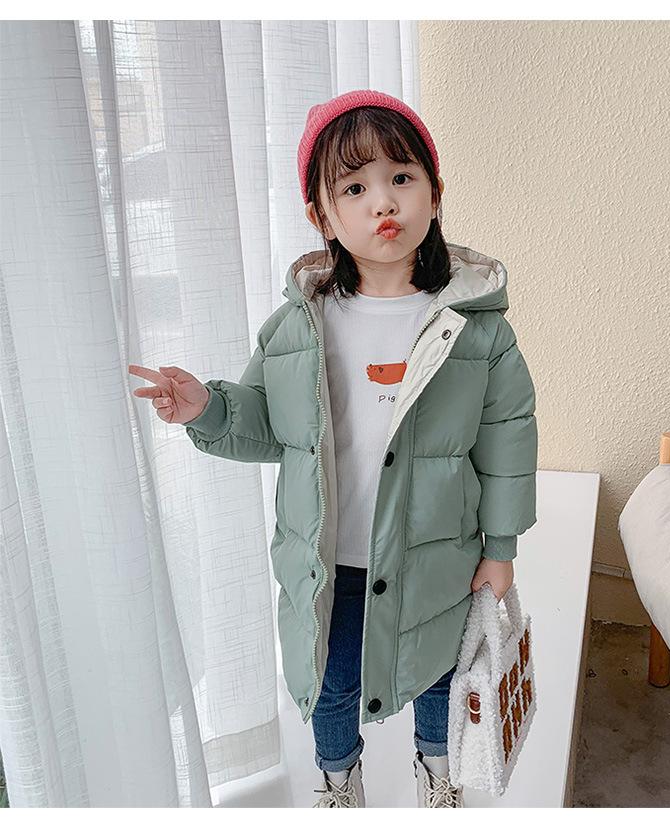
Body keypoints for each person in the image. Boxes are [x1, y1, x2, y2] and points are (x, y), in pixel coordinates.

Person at [128, 89, 538, 809]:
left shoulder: (476, 328)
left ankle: (438, 778)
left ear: (435, 193)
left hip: (437, 554)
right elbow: (267, 423)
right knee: (332, 680)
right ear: (322, 216)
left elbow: (509, 437)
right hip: (331, 559)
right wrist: (207, 407)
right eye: (354, 187)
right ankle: (339, 782)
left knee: (438, 673)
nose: (383, 201)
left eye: (402, 177)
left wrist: (499, 548)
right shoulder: (300, 325)